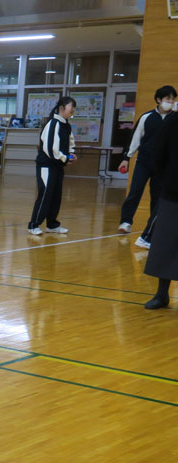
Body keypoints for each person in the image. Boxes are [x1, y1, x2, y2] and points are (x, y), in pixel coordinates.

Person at [118, 85, 177, 247]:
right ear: (159, 100)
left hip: (163, 167)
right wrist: (126, 158)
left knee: (157, 197)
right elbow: (135, 138)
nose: (170, 102)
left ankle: (152, 230)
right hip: (143, 162)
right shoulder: (147, 117)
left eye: (173, 99)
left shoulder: (174, 119)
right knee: (135, 192)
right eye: (167, 99)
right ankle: (125, 222)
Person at [27, 96, 76, 236]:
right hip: (46, 166)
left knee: (56, 195)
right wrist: (65, 158)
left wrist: (71, 154)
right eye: (70, 107)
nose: (72, 110)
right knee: (45, 194)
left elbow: (71, 142)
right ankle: (33, 225)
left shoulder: (66, 125)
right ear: (61, 108)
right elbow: (50, 149)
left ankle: (52, 224)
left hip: (57, 166)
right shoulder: (53, 124)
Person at [143, 114, 178, 310]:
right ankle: (161, 294)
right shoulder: (173, 122)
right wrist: (168, 179)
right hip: (173, 193)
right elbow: (157, 152)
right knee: (166, 243)